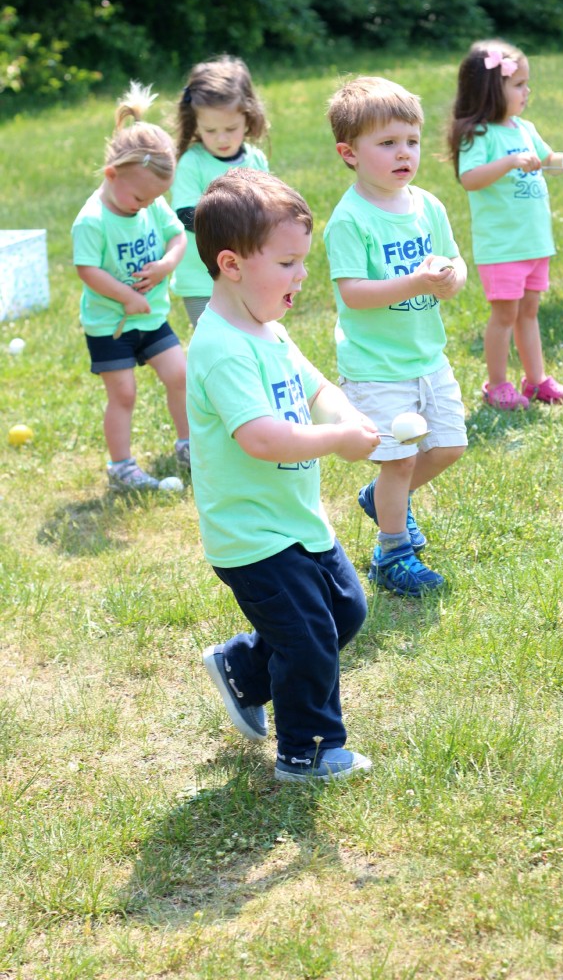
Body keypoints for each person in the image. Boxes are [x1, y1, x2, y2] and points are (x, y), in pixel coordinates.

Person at [187, 168, 379, 782]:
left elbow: (315, 386)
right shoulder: (220, 347)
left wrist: (349, 417)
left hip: (296, 521)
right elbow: (262, 438)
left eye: (304, 261)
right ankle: (310, 750)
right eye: (289, 263)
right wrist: (337, 440)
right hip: (252, 535)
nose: (302, 276)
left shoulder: (267, 329)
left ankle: (244, 669)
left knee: (344, 614)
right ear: (232, 264)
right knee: (307, 639)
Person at [324, 75, 468, 598]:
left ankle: (382, 496)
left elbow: (455, 261)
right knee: (400, 458)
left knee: (449, 446)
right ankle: (392, 553)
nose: (403, 153)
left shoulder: (428, 205)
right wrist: (415, 281)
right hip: (375, 364)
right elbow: (353, 293)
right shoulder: (349, 219)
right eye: (387, 143)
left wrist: (453, 276)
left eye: (410, 140)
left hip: (428, 357)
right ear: (350, 153)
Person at [447, 39, 563, 410]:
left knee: (529, 313)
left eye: (527, 84)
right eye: (518, 84)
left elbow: (548, 161)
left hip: (533, 243)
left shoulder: (523, 128)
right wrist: (510, 162)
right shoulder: (479, 135)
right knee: (504, 315)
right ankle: (497, 385)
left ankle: (536, 380)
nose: (527, 91)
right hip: (502, 247)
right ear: (490, 90)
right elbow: (470, 178)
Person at [71, 82, 190, 491]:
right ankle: (121, 468)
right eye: (139, 198)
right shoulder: (93, 220)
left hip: (152, 316)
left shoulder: (151, 202)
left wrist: (166, 266)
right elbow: (88, 271)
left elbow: (178, 237)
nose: (146, 205)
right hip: (110, 324)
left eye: (153, 199)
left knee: (181, 375)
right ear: (111, 174)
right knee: (123, 394)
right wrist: (127, 296)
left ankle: (189, 444)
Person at [171, 55, 269, 327]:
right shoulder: (193, 162)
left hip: (249, 273)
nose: (222, 138)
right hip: (202, 278)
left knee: (250, 334)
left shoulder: (256, 159)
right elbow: (186, 213)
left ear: (248, 118)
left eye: (231, 128)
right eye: (210, 130)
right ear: (196, 124)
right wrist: (233, 228)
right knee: (213, 340)